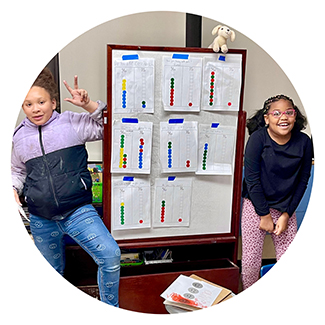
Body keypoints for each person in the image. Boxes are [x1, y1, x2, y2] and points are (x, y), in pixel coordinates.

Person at [11, 67, 121, 307]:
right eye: (28, 104)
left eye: (41, 102)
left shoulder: (72, 123)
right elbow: (18, 171)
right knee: (50, 274)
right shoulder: (18, 137)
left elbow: (109, 128)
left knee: (110, 256)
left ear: (53, 102)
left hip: (78, 212)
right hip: (41, 218)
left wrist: (89, 104)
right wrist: (11, 188)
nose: (35, 109)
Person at [241, 94, 313, 289]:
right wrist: (263, 214)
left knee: (289, 260)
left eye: (289, 112)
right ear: (267, 118)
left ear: (295, 115)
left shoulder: (304, 142)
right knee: (250, 263)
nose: (283, 117)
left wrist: (286, 214)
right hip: (256, 205)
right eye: (277, 113)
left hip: (285, 207)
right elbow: (252, 180)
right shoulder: (258, 139)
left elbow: (303, 180)